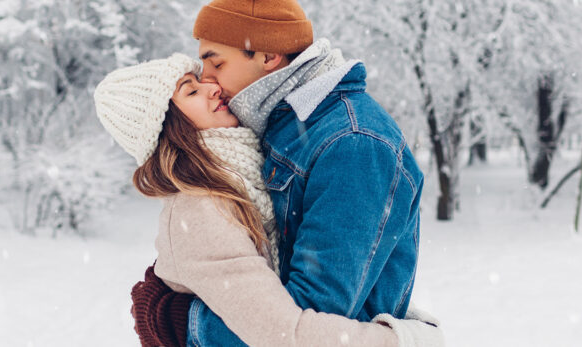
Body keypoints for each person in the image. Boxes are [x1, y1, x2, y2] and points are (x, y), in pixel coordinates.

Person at [94, 54, 443, 346]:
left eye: (201, 79)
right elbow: (284, 336)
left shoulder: (244, 176)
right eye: (192, 90)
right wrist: (404, 340)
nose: (213, 86)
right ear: (169, 127)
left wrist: (186, 325)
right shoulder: (201, 209)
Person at [178, 0, 434, 345]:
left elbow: (315, 316)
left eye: (216, 62)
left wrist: (185, 321)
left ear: (269, 56)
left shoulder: (353, 144)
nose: (207, 79)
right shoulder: (285, 128)